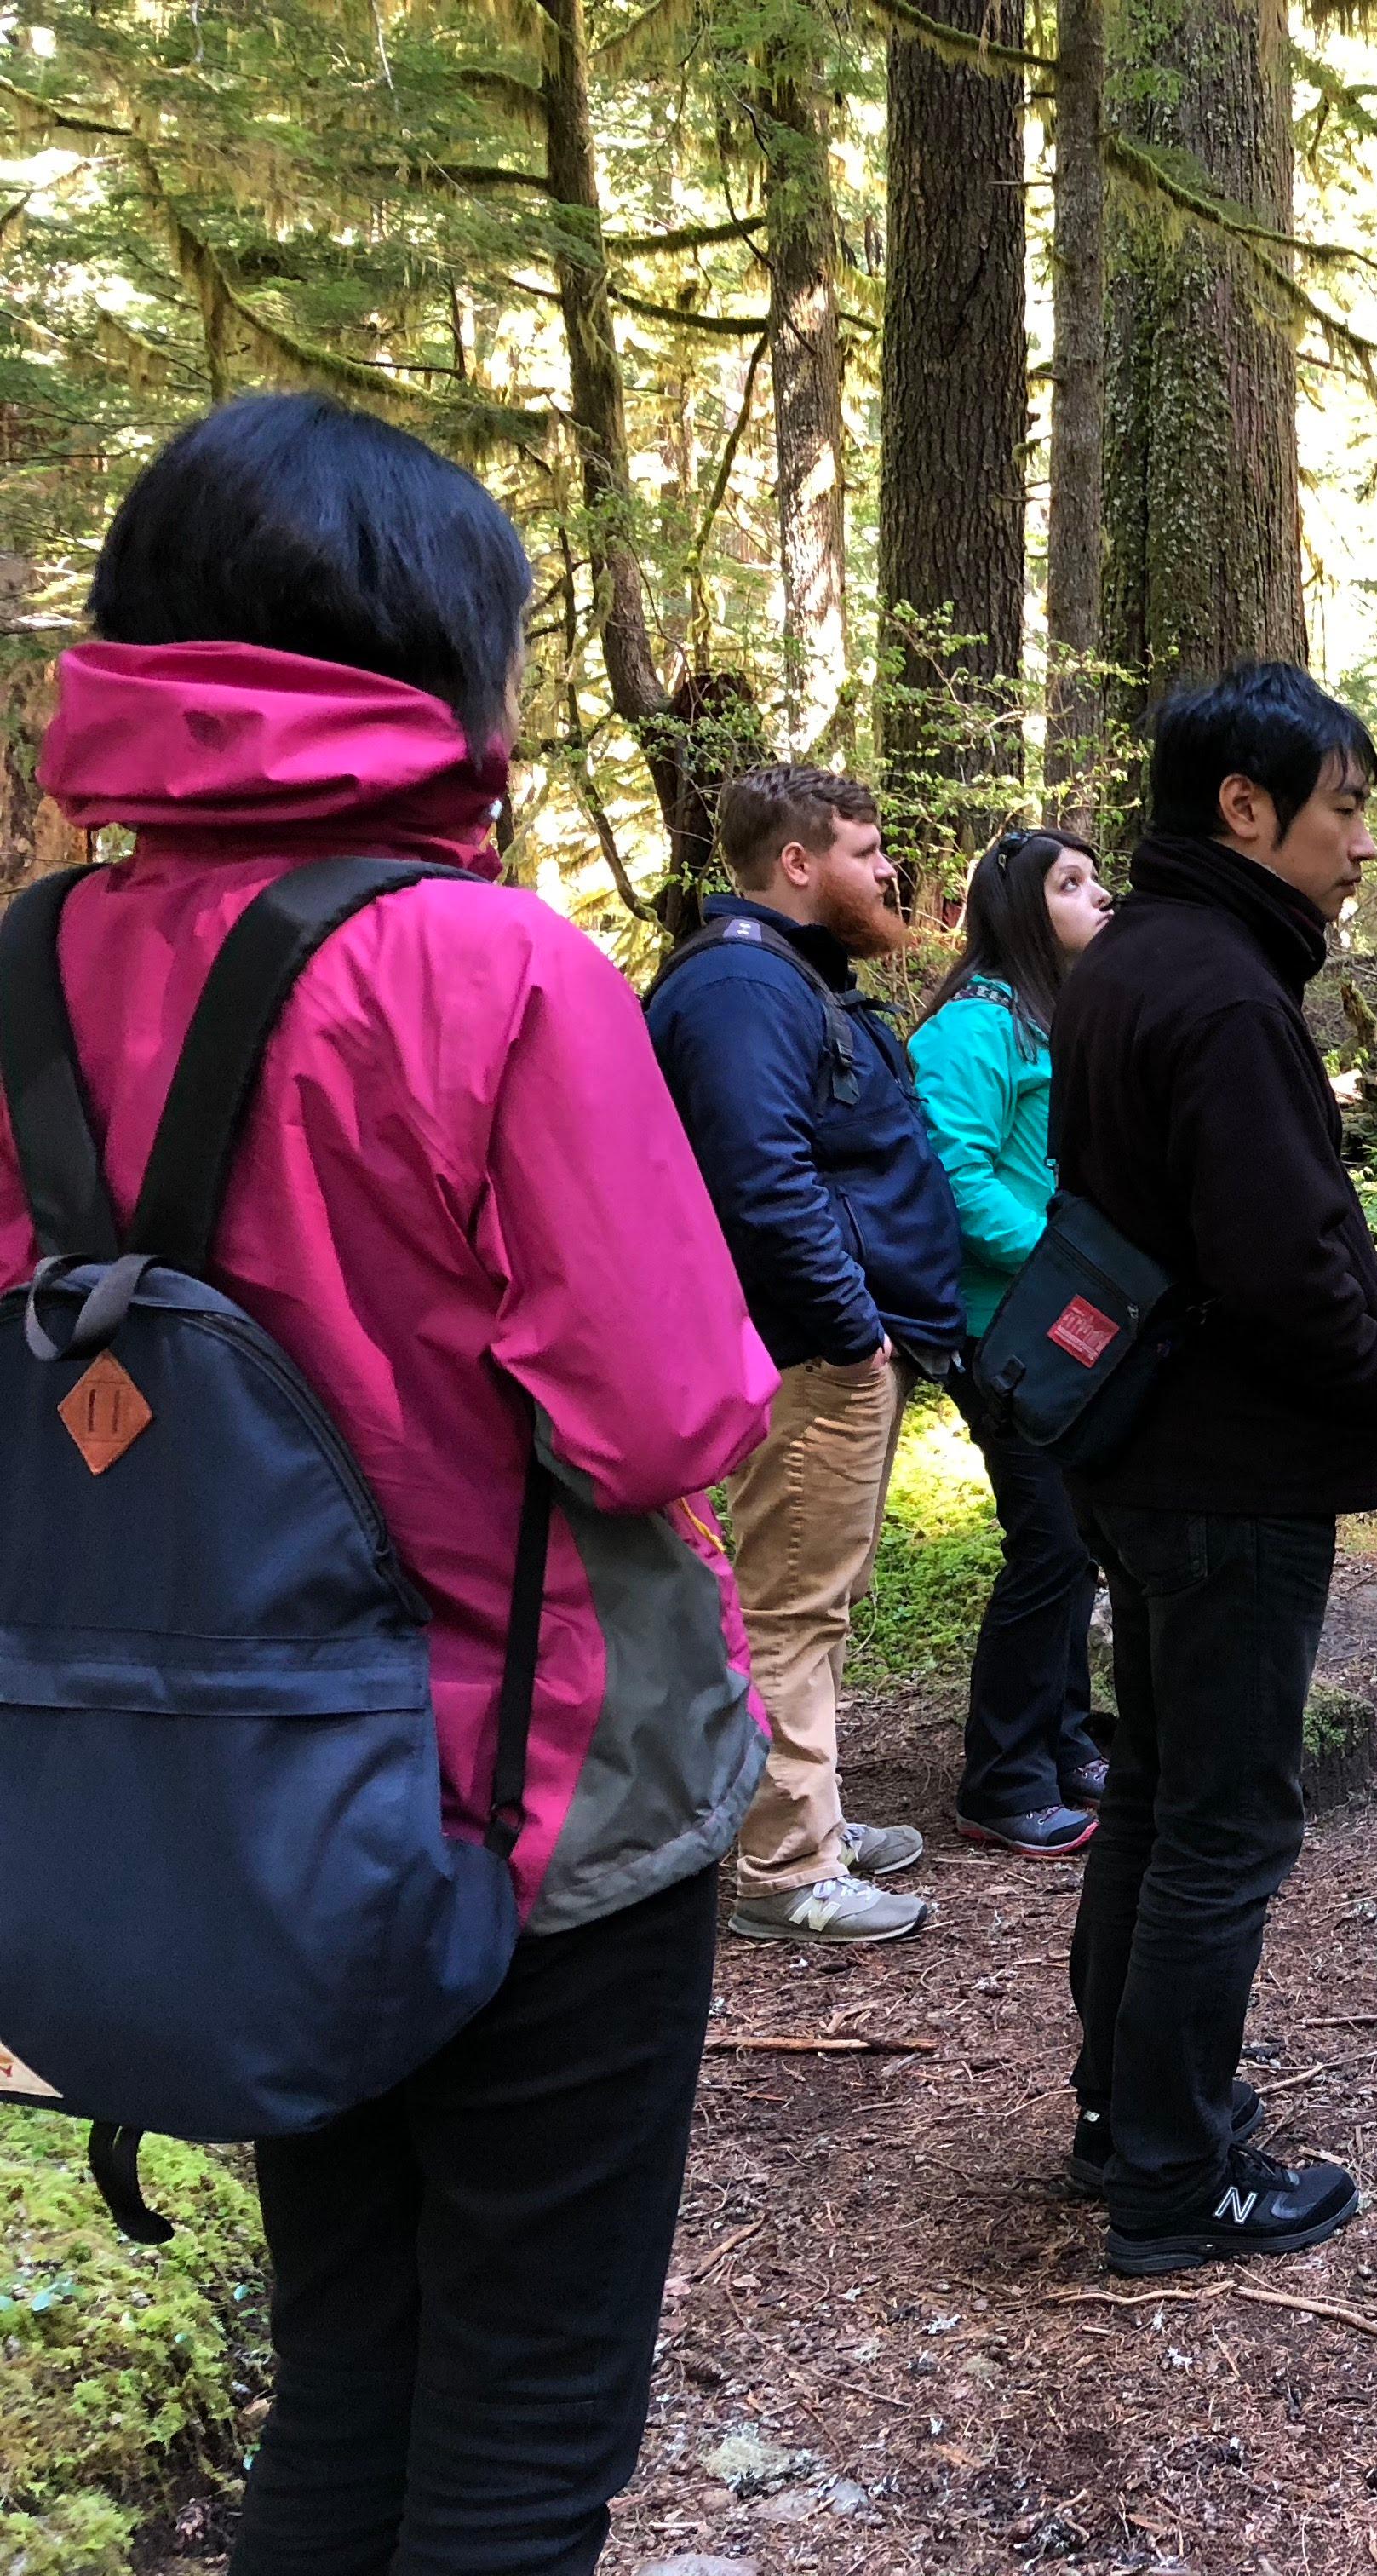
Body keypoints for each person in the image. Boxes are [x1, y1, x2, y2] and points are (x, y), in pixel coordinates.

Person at [0, 394, 779, 2575]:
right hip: (540, 1805)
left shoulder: (29, 975)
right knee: (524, 2423)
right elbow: (663, 1414)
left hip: (216, 1795)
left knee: (348, 2364)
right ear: (437, 662)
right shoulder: (489, 967)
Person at [1051, 662, 1377, 2275]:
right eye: (1344, 808)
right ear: (1244, 806)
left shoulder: (1139, 956)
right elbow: (1284, 1260)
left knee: (1152, 1792)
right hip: (1225, 1474)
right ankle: (1173, 2174)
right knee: (1221, 1822)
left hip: (1145, 1450)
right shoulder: (1217, 989)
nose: (1359, 846)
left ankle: (1123, 2108)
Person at [647, 765, 968, 1943]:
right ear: (798, 864)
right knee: (788, 1604)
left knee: (813, 1599)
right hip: (804, 1356)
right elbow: (759, 1182)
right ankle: (785, 1865)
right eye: (869, 849)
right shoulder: (740, 984)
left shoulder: (782, 977)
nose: (890, 871)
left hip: (826, 1352)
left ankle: (807, 1812)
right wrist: (852, 1333)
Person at [909, 826, 1117, 1857]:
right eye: (1071, 885)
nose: (1099, 896)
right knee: (1050, 1545)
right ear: (1021, 911)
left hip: (1060, 1325)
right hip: (1005, 1328)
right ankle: (999, 1778)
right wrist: (1064, 1265)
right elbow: (955, 1175)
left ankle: (1069, 1742)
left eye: (1096, 878)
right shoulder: (977, 1023)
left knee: (1076, 1539)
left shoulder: (1050, 1018)